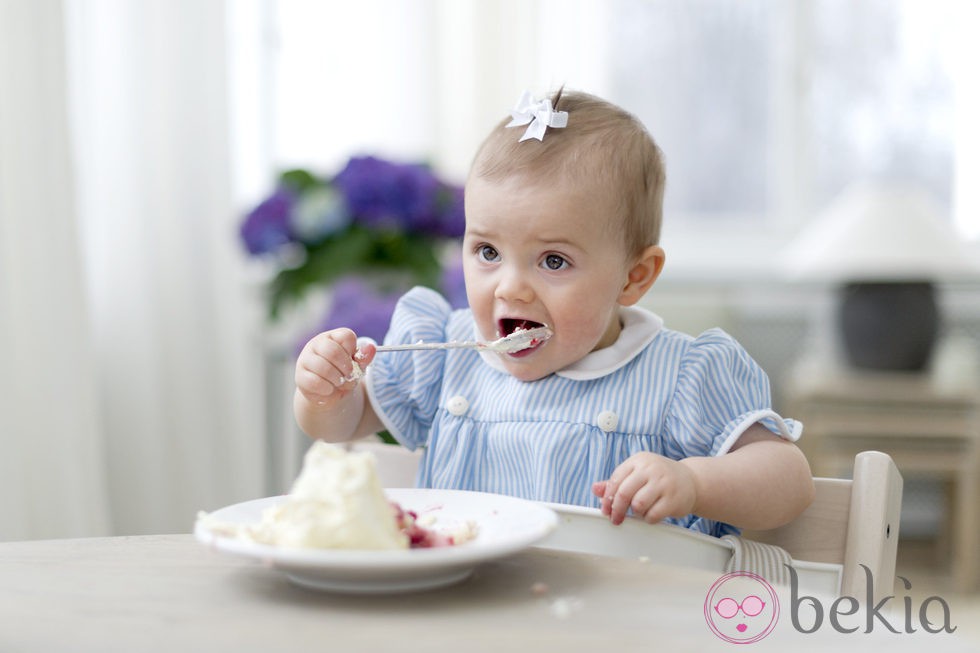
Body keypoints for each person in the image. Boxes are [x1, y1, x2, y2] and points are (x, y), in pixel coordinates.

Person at [293, 89, 814, 537]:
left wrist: (696, 483)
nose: (511, 289)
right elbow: (339, 426)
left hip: (625, 620)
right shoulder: (449, 359)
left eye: (554, 260)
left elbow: (788, 480)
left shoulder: (679, 377)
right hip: (469, 609)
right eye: (488, 253)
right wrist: (325, 392)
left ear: (634, 277)